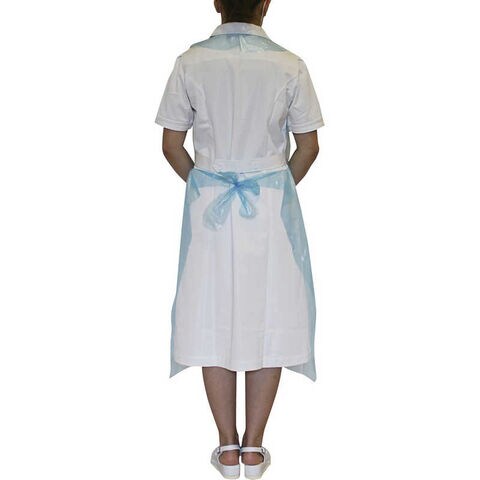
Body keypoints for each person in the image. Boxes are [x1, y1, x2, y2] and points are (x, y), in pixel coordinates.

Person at [154, 0, 324, 478]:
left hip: (210, 205)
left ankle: (226, 446)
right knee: (270, 311)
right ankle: (254, 447)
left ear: (216, 3)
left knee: (214, 314)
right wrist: (274, 185)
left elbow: (171, 144)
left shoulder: (190, 62)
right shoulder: (290, 65)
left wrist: (205, 183)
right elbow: (309, 145)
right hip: (269, 205)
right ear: (266, 4)